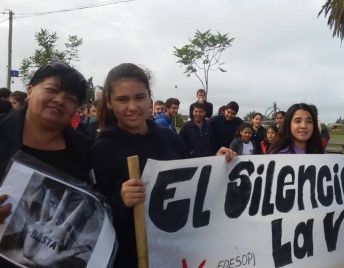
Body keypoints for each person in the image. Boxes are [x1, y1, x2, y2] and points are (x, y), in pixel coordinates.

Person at [89, 63, 235, 268]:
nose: (133, 106)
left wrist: (216, 163)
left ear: (149, 98)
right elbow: (93, 218)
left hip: (176, 252)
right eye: (122, 99)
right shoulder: (101, 149)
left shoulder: (169, 138)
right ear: (110, 102)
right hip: (130, 257)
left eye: (139, 97)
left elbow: (192, 181)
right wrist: (120, 200)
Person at [0, 61, 91, 266]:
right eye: (52, 90)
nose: (59, 100)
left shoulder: (86, 151)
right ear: (30, 91)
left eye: (70, 98)